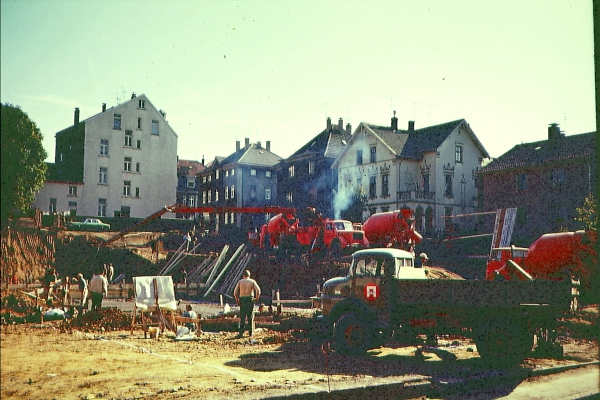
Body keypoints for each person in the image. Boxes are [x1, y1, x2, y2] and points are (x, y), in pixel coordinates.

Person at [233, 270, 261, 338]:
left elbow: (235, 293)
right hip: (250, 299)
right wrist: (256, 298)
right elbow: (258, 290)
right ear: (249, 275)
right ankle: (250, 333)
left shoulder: (240, 281)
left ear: (243, 275)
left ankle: (241, 333)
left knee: (242, 317)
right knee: (250, 316)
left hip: (242, 299)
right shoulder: (252, 281)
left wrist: (237, 300)